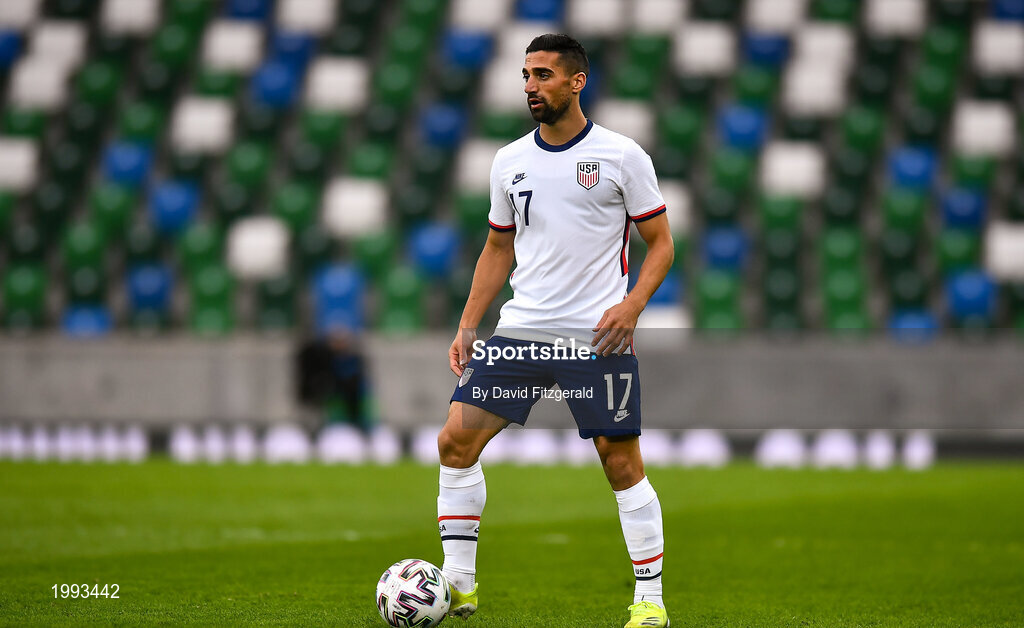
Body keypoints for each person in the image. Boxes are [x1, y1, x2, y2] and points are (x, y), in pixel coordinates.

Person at [436, 34, 674, 628]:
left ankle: (649, 600)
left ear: (576, 81)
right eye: (525, 75)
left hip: (595, 338)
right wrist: (469, 324)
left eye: (542, 75)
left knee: (620, 463)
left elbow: (662, 244)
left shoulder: (622, 156)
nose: (530, 86)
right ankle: (460, 589)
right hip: (520, 332)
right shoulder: (509, 160)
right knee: (454, 444)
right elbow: (497, 247)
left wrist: (633, 304)